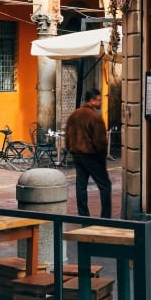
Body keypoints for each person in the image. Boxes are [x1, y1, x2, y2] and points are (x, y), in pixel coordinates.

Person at [65, 88, 112, 218]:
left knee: (81, 185)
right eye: (98, 100)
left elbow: (67, 136)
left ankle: (83, 215)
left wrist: (71, 150)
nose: (100, 102)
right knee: (105, 185)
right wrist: (102, 158)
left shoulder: (74, 115)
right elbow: (100, 141)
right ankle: (106, 217)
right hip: (91, 156)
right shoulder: (95, 117)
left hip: (77, 155)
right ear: (91, 100)